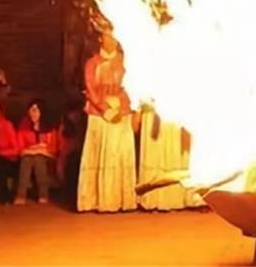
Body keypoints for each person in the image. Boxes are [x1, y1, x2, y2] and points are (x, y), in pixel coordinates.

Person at [77, 32, 137, 213]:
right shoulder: (92, 63)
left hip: (121, 112)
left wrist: (122, 105)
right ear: (101, 39)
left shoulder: (125, 62)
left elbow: (131, 85)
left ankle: (122, 199)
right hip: (100, 115)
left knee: (120, 154)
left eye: (114, 36)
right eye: (107, 36)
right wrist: (105, 109)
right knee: (103, 153)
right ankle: (99, 199)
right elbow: (90, 88)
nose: (111, 40)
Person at [138, 105, 201, 211]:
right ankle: (153, 199)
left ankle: (175, 199)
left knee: (173, 153)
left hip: (173, 120)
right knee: (155, 155)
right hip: (153, 118)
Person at [15, 99, 58, 205]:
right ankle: (21, 194)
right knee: (27, 159)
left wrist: (37, 149)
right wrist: (37, 148)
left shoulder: (49, 127)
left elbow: (52, 148)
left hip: (46, 156)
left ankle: (43, 194)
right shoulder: (24, 125)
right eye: (31, 110)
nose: (33, 113)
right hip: (29, 155)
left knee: (39, 159)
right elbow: (21, 148)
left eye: (36, 110)